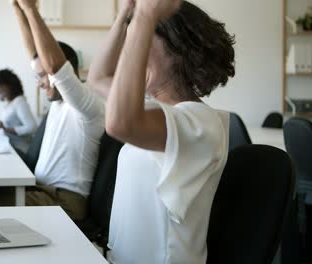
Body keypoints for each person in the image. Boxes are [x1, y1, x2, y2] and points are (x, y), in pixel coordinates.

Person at [87, 0, 235, 263]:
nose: (129, 54)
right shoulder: (153, 111)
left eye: (141, 41)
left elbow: (121, 123)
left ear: (178, 49)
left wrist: (144, 15)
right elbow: (97, 78)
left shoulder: (199, 123)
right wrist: (125, 15)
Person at [11, 0, 105, 221]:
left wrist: (31, 9)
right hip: (42, 192)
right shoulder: (57, 102)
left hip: (63, 202)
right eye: (38, 77)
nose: (40, 83)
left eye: (44, 77)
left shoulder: (85, 105)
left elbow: (53, 67)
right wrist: (17, 8)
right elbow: (35, 54)